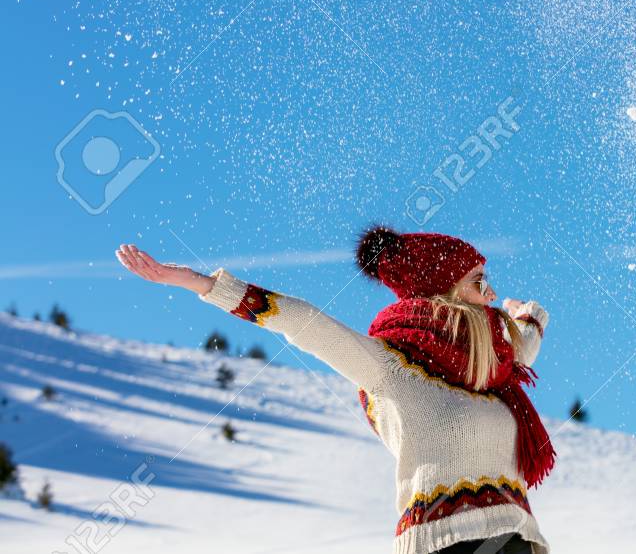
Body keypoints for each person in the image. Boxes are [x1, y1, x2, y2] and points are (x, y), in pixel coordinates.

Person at [115, 225, 554, 554]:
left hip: (517, 540)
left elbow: (526, 340)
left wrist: (527, 313)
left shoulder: (492, 361)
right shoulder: (390, 368)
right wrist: (201, 283)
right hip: (444, 544)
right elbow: (303, 323)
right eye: (478, 280)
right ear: (444, 289)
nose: (491, 292)